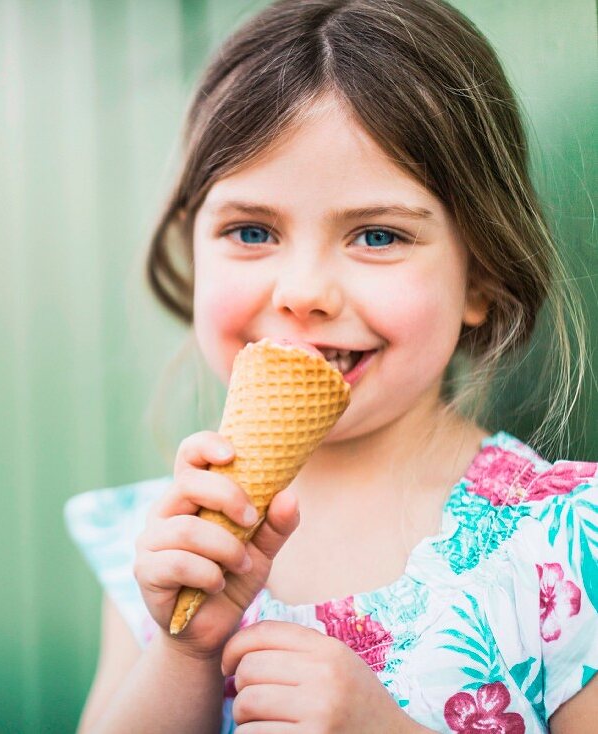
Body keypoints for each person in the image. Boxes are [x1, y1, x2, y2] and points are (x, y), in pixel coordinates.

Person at [63, 0, 597, 731]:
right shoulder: (167, 546)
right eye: (251, 231)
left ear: (479, 277)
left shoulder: (568, 547)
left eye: (377, 235)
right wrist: (184, 655)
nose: (305, 292)